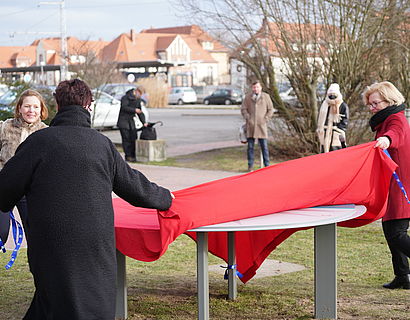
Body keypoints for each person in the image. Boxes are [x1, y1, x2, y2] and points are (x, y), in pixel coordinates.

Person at [0, 79, 174, 319]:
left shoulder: (38, 142)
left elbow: (4, 190)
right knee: (93, 302)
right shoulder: (101, 144)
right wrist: (167, 198)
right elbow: (134, 186)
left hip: (51, 242)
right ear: (88, 106)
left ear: (58, 106)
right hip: (95, 241)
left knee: (52, 299)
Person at [363, 81, 410, 289]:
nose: (372, 108)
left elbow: (396, 135)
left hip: (402, 184)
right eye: (370, 105)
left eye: (375, 103)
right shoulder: (385, 120)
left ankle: (403, 275)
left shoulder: (395, 119)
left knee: (396, 232)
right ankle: (402, 276)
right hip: (393, 183)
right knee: (389, 228)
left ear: (389, 100)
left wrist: (386, 141)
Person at [0, 89, 48, 244]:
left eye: (35, 107)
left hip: (30, 191)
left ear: (41, 110)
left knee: (35, 234)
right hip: (4, 187)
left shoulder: (46, 133)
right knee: (1, 231)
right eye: (27, 106)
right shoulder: (5, 128)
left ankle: (38, 267)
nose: (31, 110)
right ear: (19, 108)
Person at [241, 81, 274, 171]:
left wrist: (266, 119)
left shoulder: (266, 97)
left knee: (264, 147)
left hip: (261, 125)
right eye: (254, 87)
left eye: (257, 87)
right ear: (252, 88)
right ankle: (250, 166)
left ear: (261, 87)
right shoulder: (248, 97)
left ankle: (267, 166)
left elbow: (270, 109)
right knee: (250, 147)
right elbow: (243, 109)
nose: (256, 89)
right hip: (250, 126)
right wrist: (248, 117)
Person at [317, 83, 349, 152]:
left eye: (334, 94)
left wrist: (339, 129)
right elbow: (321, 118)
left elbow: (345, 119)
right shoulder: (325, 105)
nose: (332, 96)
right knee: (324, 151)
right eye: (330, 94)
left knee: (337, 152)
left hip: (337, 133)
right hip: (325, 133)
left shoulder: (342, 105)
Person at [117, 86, 147, 162]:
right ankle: (128, 156)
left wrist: (144, 122)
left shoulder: (137, 100)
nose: (140, 96)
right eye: (140, 93)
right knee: (126, 139)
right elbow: (124, 107)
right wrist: (134, 110)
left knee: (134, 137)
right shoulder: (125, 97)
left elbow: (140, 112)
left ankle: (133, 155)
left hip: (131, 122)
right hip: (123, 122)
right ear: (136, 91)